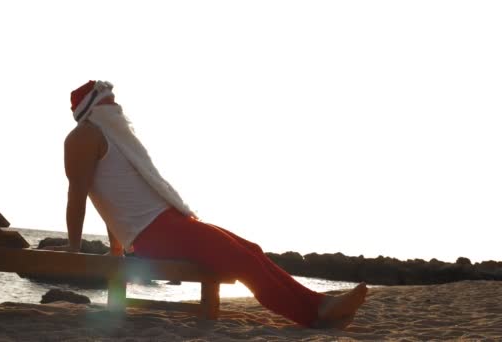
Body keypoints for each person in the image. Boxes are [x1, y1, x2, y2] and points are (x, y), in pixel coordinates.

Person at [44, 80, 368, 329]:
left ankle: (323, 305)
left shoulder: (113, 138)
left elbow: (117, 196)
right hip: (154, 234)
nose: (117, 106)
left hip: (169, 225)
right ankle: (315, 315)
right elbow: (80, 194)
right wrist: (74, 246)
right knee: (241, 260)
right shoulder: (83, 138)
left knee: (250, 249)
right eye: (109, 101)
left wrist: (115, 247)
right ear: (94, 108)